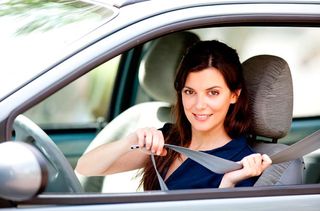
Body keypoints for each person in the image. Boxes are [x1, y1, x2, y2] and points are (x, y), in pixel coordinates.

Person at [75, 40, 272, 190]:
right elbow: (85, 168)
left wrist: (227, 183)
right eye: (190, 92)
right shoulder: (168, 140)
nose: (199, 105)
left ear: (234, 95)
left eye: (213, 93)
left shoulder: (242, 163)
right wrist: (131, 140)